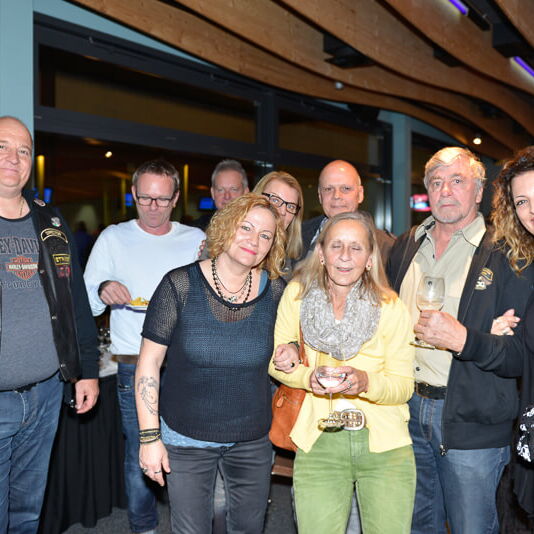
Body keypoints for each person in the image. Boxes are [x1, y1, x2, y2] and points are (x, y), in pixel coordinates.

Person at [386, 146, 533, 534]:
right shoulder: (406, 245)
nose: (445, 190)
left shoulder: (508, 252)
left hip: (472, 421)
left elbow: (520, 357)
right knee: (417, 526)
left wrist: (464, 338)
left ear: (479, 191)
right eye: (436, 182)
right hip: (407, 412)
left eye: (457, 180)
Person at [136, 193, 287, 534]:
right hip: (186, 437)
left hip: (252, 439)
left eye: (265, 235)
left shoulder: (278, 291)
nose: (254, 240)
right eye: (246, 227)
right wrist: (149, 438)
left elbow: (293, 346)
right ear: (225, 226)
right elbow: (148, 363)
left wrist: (291, 350)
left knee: (248, 529)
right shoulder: (179, 285)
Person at [270, 211, 416, 534]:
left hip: (384, 445)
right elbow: (276, 362)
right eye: (336, 245)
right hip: (319, 439)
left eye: (356, 247)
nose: (345, 256)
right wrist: (307, 377)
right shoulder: (297, 295)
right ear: (321, 253)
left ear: (370, 258)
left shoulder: (391, 306)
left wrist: (366, 382)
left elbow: (403, 386)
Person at [84, 159, 205, 534]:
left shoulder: (195, 240)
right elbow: (86, 302)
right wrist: (103, 289)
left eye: (162, 199)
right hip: (133, 363)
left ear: (176, 198)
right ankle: (144, 527)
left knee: (190, 448)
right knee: (141, 447)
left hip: (184, 364)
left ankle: (190, 523)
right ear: (133, 195)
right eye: (145, 198)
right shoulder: (113, 238)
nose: (153, 207)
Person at [0, 116, 99, 534]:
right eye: (2, 146)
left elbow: (75, 300)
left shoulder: (51, 222)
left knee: (27, 511)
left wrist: (87, 370)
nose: (13, 157)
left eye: (23, 150)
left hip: (45, 395)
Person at [488, 146, 534, 517]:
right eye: (521, 201)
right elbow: (520, 357)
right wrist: (493, 334)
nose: (531, 210)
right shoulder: (525, 266)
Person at [301, 159, 395, 264]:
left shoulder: (388, 248)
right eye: (328, 189)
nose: (336, 196)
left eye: (346, 188)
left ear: (360, 194)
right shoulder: (297, 237)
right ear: (320, 196)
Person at [253, 170, 303, 278]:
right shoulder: (233, 244)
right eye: (275, 200)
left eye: (291, 206)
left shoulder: (293, 266)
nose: (282, 212)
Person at [192, 159, 249, 231]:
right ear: (213, 193)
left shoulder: (256, 228)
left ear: (245, 193)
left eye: (233, 189)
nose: (227, 196)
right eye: (220, 190)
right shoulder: (197, 231)